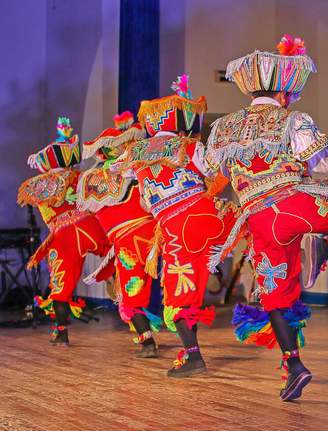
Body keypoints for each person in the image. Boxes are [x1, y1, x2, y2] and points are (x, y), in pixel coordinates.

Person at [205, 35, 328, 401]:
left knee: (275, 296)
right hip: (296, 206)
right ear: (283, 94)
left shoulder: (225, 127)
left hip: (260, 220)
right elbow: (326, 164)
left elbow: (210, 168)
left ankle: (294, 364)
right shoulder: (292, 119)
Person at [117, 75, 237, 377]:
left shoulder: (136, 154)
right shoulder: (188, 146)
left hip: (173, 228)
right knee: (247, 225)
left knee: (178, 293)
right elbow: (214, 169)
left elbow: (134, 193)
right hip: (206, 216)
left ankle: (193, 355)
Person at [17, 117, 110, 345]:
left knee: (61, 286)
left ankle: (61, 331)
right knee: (117, 253)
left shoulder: (36, 185)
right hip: (88, 225)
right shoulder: (78, 176)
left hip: (62, 236)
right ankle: (135, 316)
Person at [77, 111, 161, 357]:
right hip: (155, 233)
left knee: (130, 291)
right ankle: (187, 344)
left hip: (135, 238)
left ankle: (148, 340)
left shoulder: (93, 179)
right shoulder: (138, 168)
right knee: (173, 280)